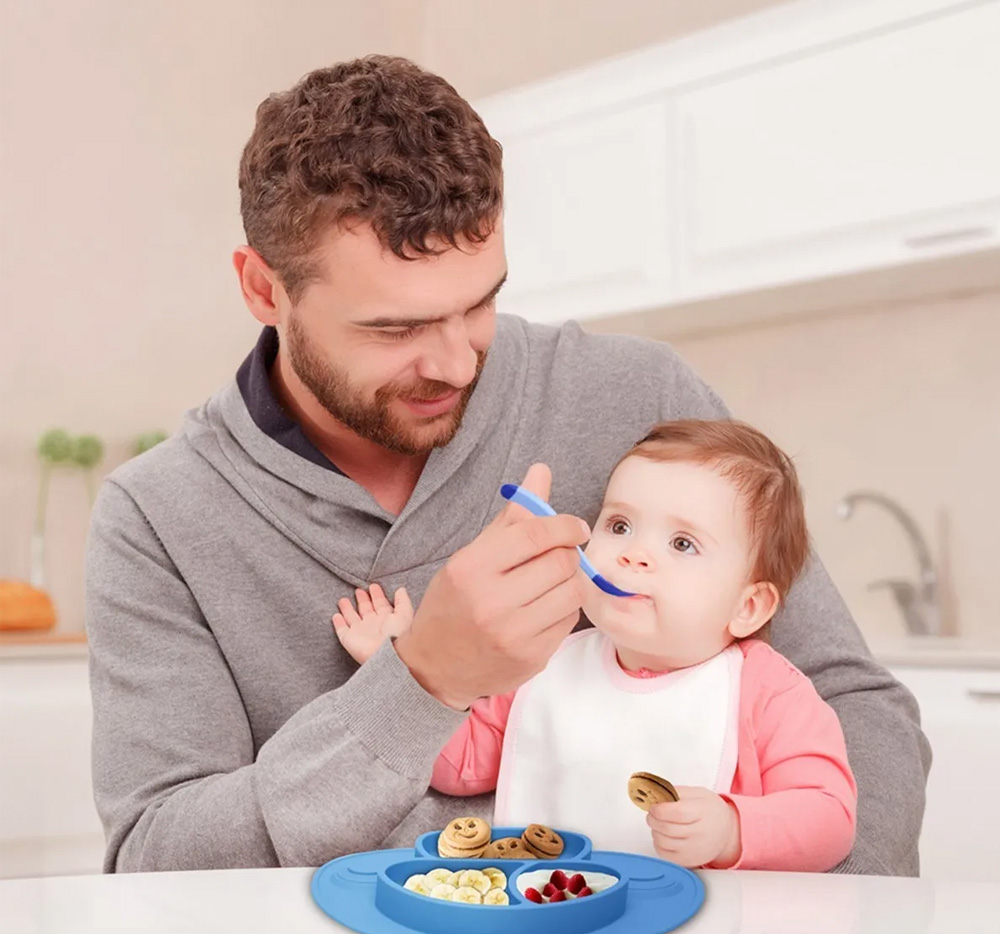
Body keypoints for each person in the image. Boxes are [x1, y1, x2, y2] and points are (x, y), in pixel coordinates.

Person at [86, 55, 929, 875]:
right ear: (264, 290)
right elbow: (160, 857)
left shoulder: (640, 398)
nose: (456, 363)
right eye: (394, 328)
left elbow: (855, 710)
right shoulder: (158, 517)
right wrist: (421, 680)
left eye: (480, 302)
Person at [334, 419, 858, 871]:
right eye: (620, 525)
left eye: (682, 543)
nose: (634, 554)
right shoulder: (544, 661)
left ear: (748, 607)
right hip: (551, 919)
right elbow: (460, 766)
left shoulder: (767, 691)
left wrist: (733, 830)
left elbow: (829, 817)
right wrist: (400, 660)